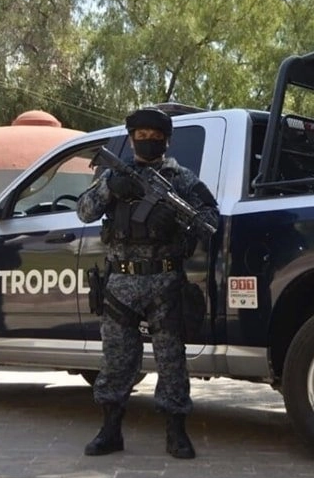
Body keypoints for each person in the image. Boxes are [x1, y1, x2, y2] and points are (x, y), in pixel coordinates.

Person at [77, 107, 218, 459]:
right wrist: (110, 187)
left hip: (164, 281)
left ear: (167, 140)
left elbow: (210, 218)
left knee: (171, 361)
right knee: (116, 360)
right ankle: (110, 430)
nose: (148, 141)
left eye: (155, 137)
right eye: (141, 136)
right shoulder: (113, 174)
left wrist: (183, 229)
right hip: (120, 282)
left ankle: (176, 431)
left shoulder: (181, 179)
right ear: (131, 138)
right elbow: (84, 211)